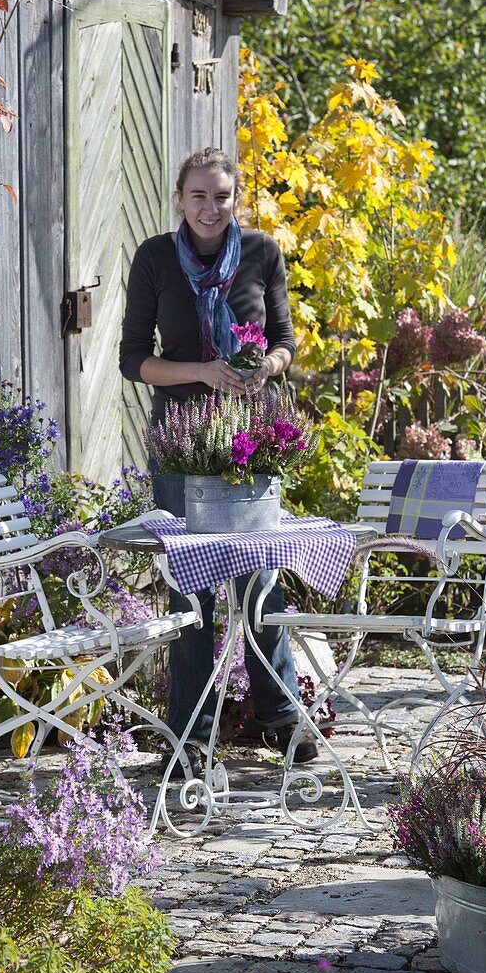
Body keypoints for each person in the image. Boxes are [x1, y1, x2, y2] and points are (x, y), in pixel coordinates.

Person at [119, 147, 317, 773]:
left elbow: (285, 342)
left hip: (251, 439)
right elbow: (134, 361)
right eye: (198, 196)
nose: (210, 208)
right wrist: (203, 370)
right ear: (180, 199)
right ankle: (191, 737)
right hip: (180, 443)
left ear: (237, 200)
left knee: (260, 579)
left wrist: (266, 367)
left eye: (222, 196)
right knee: (190, 592)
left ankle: (278, 715)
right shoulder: (154, 258)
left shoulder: (261, 253)